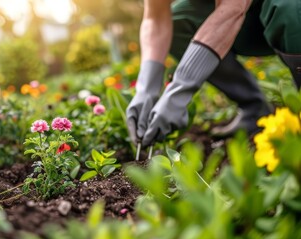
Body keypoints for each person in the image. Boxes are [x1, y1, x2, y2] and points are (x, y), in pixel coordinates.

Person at [126, 0, 301, 147]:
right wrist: (146, 89)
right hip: (250, 20)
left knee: (290, 8)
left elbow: (233, 8)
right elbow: (155, 18)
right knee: (178, 21)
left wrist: (181, 88)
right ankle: (255, 110)